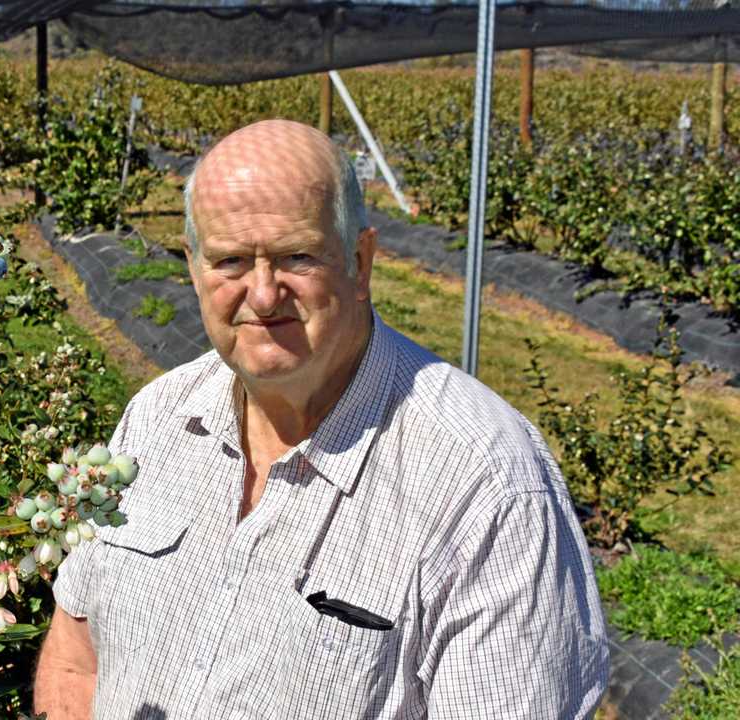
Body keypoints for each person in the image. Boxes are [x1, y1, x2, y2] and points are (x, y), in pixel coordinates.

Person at [32, 119, 609, 719]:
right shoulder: (156, 418)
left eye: (296, 257)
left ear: (360, 262)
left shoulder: (487, 488)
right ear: (193, 266)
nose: (261, 294)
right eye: (229, 260)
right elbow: (78, 657)